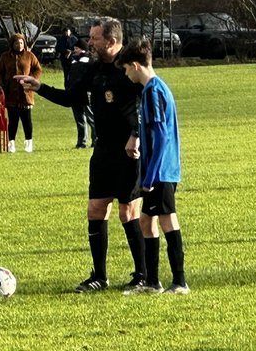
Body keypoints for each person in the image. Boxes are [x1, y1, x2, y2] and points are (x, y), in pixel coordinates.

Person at [17, 16, 148, 293]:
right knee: (96, 209)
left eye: (94, 38)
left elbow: (148, 104)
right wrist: (39, 87)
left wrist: (136, 135)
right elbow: (71, 98)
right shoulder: (95, 69)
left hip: (130, 151)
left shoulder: (131, 67)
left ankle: (141, 275)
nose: (89, 42)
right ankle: (99, 275)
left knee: (128, 212)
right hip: (103, 150)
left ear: (111, 41)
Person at [115, 38, 189, 294]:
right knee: (147, 220)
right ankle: (152, 282)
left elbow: (161, 137)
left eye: (126, 69)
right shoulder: (153, 89)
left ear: (135, 65)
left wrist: (149, 177)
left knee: (168, 220)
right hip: (157, 169)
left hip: (161, 171)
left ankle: (179, 282)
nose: (126, 75)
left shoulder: (153, 91)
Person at [0, 31, 41, 153]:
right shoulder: (5, 57)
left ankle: (29, 142)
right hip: (10, 93)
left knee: (27, 120)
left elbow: (38, 69)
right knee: (13, 120)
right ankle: (11, 143)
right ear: (12, 44)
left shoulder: (30, 56)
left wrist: (31, 80)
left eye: (21, 43)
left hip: (26, 93)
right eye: (17, 43)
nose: (19, 45)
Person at [64, 43, 95, 148]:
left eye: (77, 48)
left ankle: (96, 140)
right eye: (74, 48)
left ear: (83, 50)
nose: (74, 50)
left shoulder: (88, 61)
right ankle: (81, 142)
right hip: (74, 94)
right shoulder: (73, 61)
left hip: (86, 94)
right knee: (80, 120)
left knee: (91, 119)